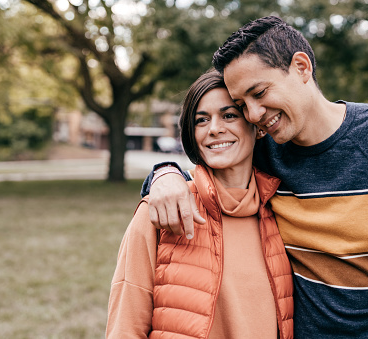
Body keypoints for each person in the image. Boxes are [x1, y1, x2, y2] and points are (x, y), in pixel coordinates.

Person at [142, 16, 368, 338]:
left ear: (302, 67)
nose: (254, 115)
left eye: (259, 93)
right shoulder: (264, 151)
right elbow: (208, 176)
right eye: (241, 104)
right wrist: (163, 174)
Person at [106, 70, 294, 338]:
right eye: (201, 120)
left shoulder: (283, 211)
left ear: (257, 126)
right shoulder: (158, 211)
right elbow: (125, 328)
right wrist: (165, 172)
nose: (214, 128)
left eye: (229, 115)